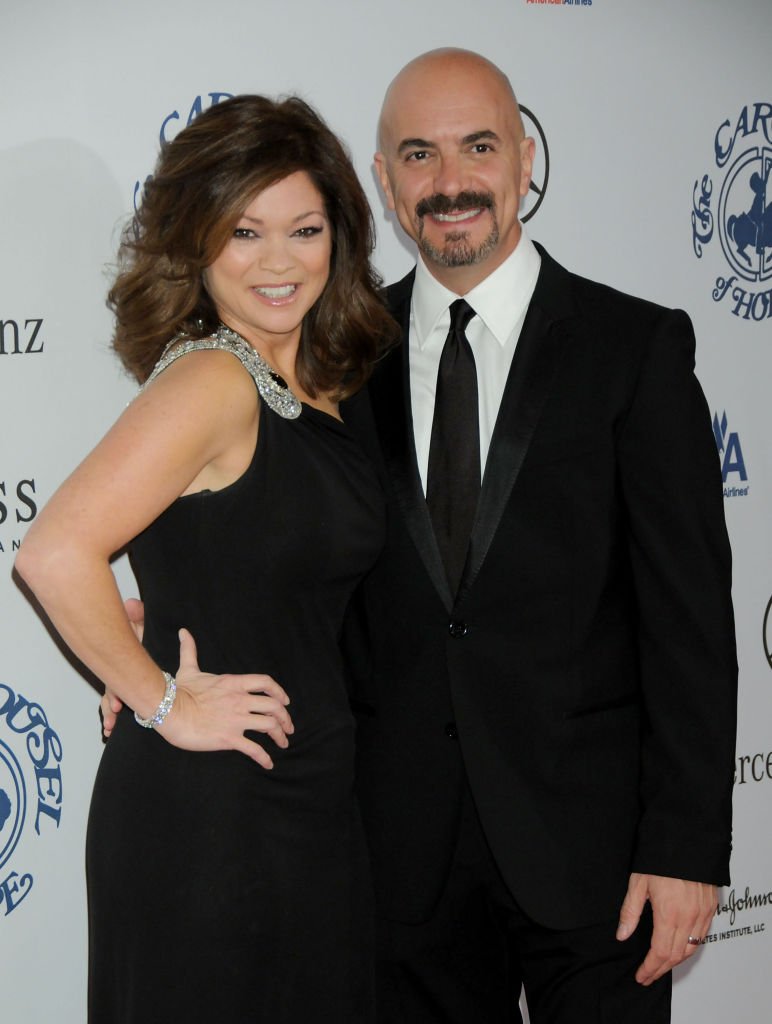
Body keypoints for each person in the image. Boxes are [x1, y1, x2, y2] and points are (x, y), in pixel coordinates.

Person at [337, 48, 738, 1023]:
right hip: (402, 864)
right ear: (386, 184)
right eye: (419, 156)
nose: (450, 183)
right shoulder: (340, 360)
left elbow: (687, 625)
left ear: (523, 159)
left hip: (594, 855)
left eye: (477, 147)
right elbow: (310, 572)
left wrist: (684, 847)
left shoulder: (631, 350)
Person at [15, 93, 396, 1023]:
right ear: (198, 244)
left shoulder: (326, 381)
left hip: (307, 797)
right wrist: (159, 696)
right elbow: (53, 550)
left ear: (339, 236)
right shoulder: (216, 380)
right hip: (214, 814)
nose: (278, 262)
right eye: (244, 232)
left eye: (304, 229)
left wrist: (160, 617)